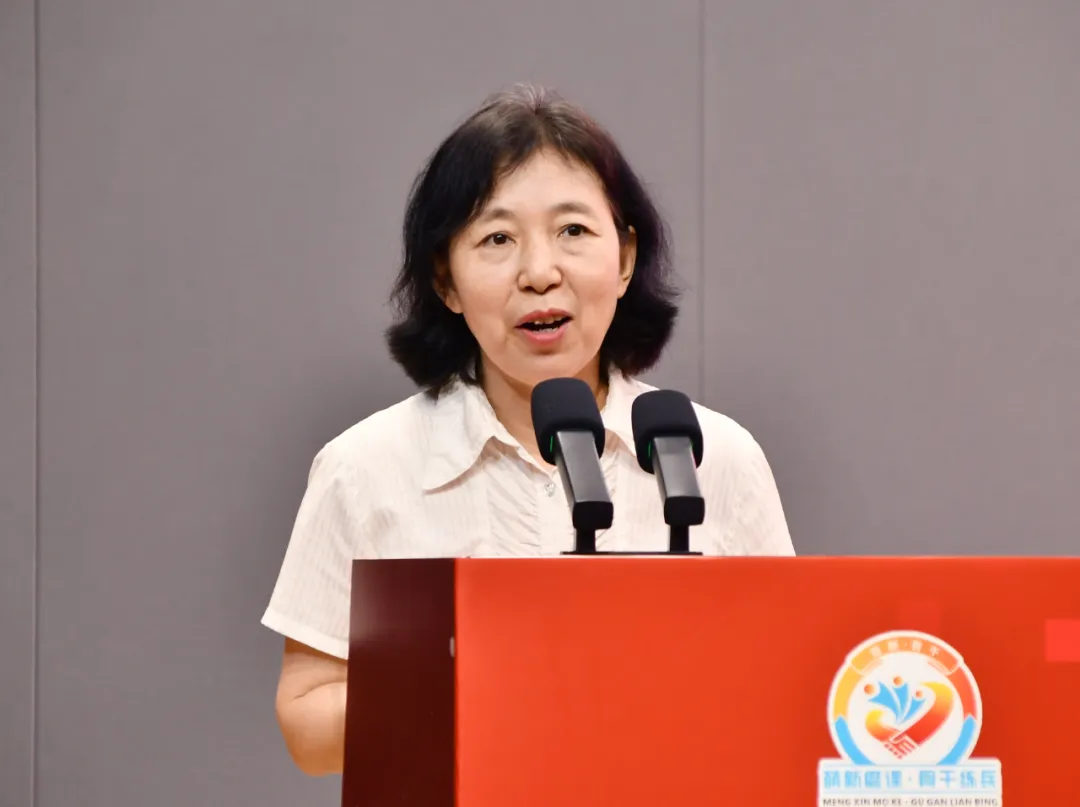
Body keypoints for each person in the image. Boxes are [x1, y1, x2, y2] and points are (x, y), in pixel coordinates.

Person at [261, 84, 795, 776]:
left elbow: (786, 691)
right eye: (497, 239)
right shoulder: (365, 467)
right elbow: (307, 727)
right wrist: (482, 677)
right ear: (446, 281)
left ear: (624, 258)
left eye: (573, 231)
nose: (540, 273)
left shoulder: (712, 456)